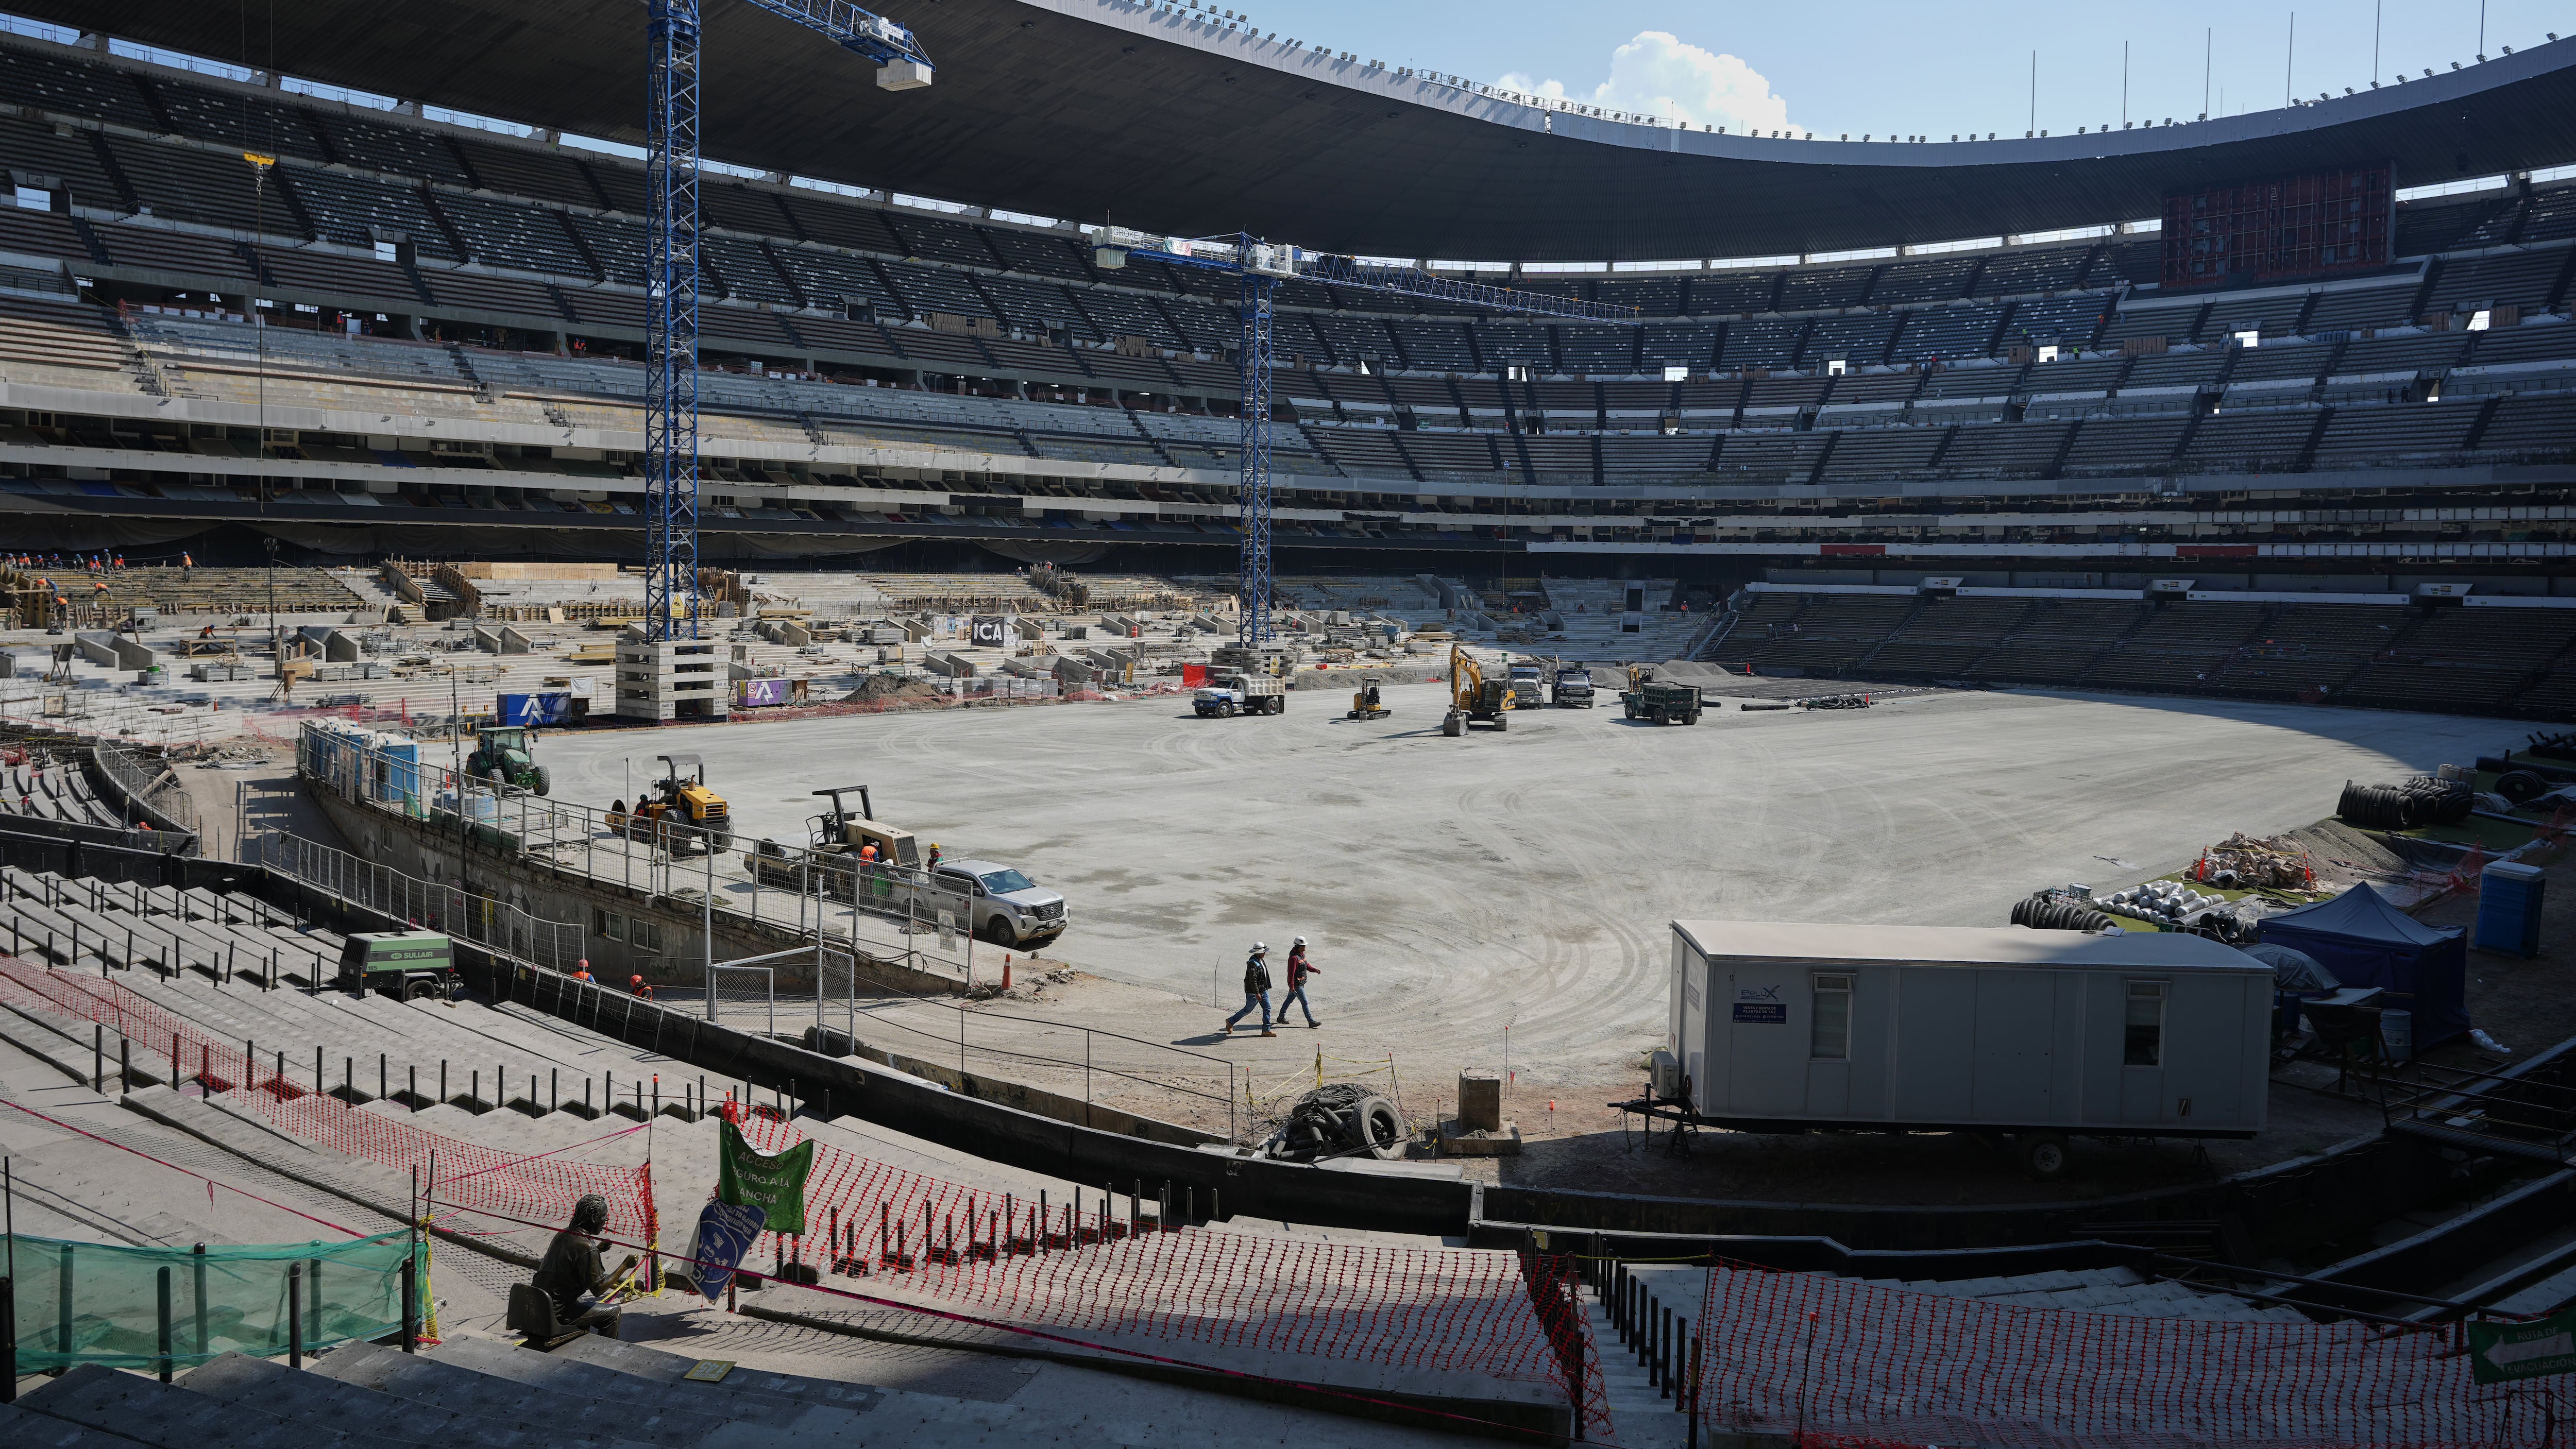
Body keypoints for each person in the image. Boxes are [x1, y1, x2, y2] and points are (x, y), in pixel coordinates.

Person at [530, 1194, 635, 1336]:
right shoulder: (586, 1247)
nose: (605, 1220)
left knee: (582, 1302)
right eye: (604, 1216)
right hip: (558, 1313)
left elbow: (571, 1261)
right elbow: (598, 1289)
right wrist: (625, 1265)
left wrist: (597, 1250)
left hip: (538, 1304)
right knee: (613, 1313)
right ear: (593, 1218)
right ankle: (607, 1355)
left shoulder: (562, 1235)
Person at [1222, 942, 1276, 1037]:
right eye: (1263, 952)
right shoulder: (1253, 964)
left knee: (1267, 1008)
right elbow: (1253, 980)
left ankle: (1266, 1030)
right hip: (1254, 993)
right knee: (1248, 1010)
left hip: (1263, 991)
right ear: (1259, 952)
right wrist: (1257, 993)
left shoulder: (1261, 960)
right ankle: (1230, 1021)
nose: (1265, 953)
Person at [1279, 935, 1321, 1028]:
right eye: (1303, 946)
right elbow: (1291, 973)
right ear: (1299, 946)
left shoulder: (1301, 954)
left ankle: (1281, 1017)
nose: (1305, 948)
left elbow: (1306, 965)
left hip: (1300, 983)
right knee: (1305, 1002)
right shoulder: (1294, 958)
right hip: (1297, 985)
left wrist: (1314, 970)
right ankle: (1311, 1021)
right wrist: (1292, 986)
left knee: (1289, 1000)